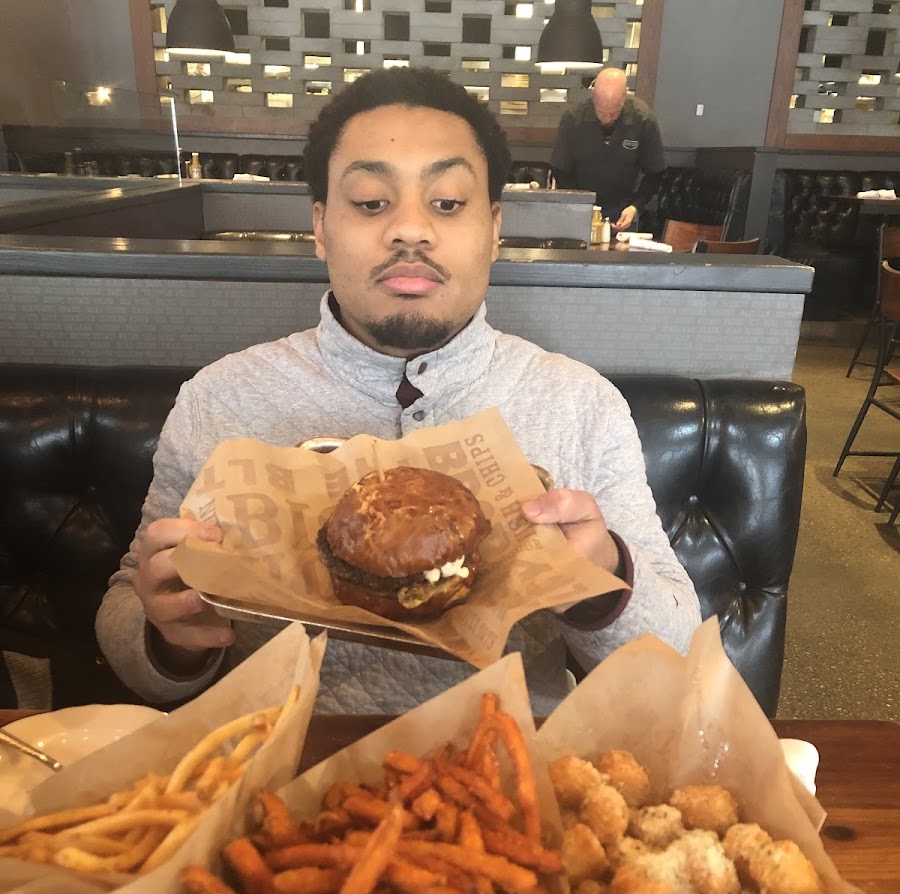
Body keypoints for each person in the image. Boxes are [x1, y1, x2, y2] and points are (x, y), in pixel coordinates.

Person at [96, 67, 699, 715]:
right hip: (280, 784)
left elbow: (677, 653)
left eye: (447, 202)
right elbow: (130, 608)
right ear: (321, 226)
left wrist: (602, 581)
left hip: (507, 784)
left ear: (494, 227)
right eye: (371, 202)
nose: (410, 230)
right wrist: (170, 638)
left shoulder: (582, 405)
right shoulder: (220, 400)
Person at [550, 67, 665, 233]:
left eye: (613, 113)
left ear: (624, 97)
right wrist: (580, 204)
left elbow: (655, 172)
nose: (607, 118)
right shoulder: (573, 118)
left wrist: (635, 207)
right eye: (601, 112)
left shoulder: (643, 120)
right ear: (594, 97)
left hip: (623, 209)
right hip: (580, 207)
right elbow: (560, 169)